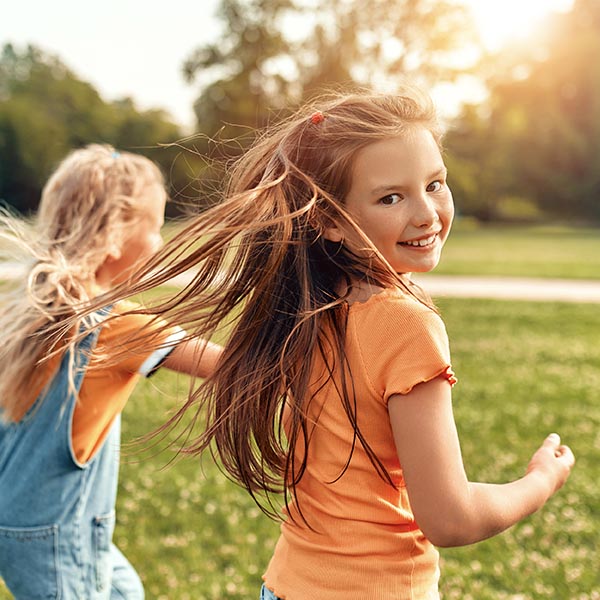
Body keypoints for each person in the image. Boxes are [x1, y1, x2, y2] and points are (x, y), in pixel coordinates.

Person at [72, 88, 574, 599]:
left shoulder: (306, 303)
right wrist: (538, 483)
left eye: (435, 184)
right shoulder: (407, 325)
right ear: (328, 220)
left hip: (286, 585)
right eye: (391, 197)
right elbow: (449, 519)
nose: (426, 213)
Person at [0, 144, 221, 599]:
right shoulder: (116, 324)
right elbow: (227, 364)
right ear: (116, 235)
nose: (161, 243)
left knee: (123, 591)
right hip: (57, 533)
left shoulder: (41, 306)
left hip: (20, 520)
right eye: (156, 229)